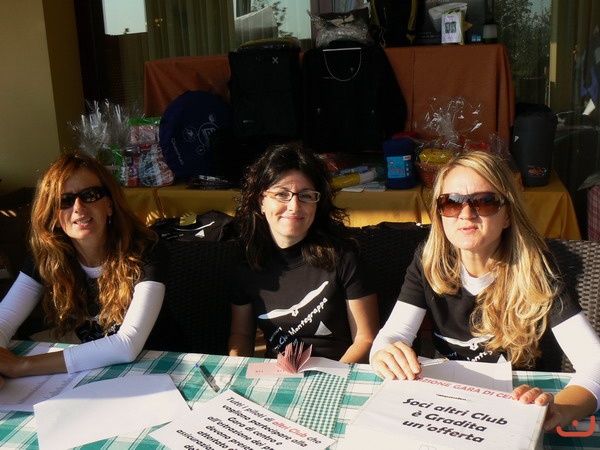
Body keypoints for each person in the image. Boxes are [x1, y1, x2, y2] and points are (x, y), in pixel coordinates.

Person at [370, 150, 600, 431]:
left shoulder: (536, 270)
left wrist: (561, 410)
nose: (466, 214)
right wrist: (383, 353)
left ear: (508, 215)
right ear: (440, 214)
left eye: (485, 201)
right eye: (451, 202)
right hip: (445, 406)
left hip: (515, 409)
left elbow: (594, 361)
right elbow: (393, 336)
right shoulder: (429, 262)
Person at [0, 152, 168, 380]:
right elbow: (3, 320)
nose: (78, 207)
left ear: (109, 204)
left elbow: (127, 344)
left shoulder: (146, 250)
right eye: (65, 201)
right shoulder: (49, 256)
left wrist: (20, 366)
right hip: (93, 368)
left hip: (157, 365)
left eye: (90, 195)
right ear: (53, 214)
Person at [228, 143, 379, 363]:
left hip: (341, 369)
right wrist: (236, 370)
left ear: (318, 203)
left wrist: (332, 376)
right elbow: (241, 335)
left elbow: (365, 339)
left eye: (306, 196)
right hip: (277, 373)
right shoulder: (247, 259)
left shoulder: (344, 255)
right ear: (261, 201)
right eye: (282, 194)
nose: (294, 206)